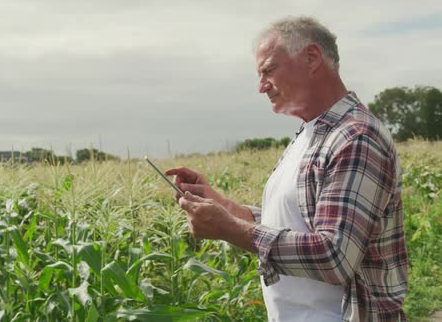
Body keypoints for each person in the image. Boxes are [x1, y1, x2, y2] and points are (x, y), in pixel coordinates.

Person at [166, 16, 408, 322]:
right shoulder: (310, 135)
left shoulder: (356, 137)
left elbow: (334, 256)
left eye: (268, 70)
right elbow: (294, 225)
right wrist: (225, 208)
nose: (261, 86)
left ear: (311, 58)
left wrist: (229, 228)